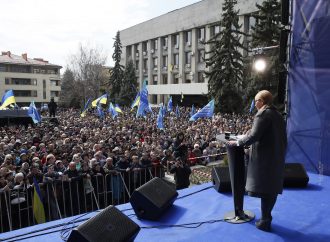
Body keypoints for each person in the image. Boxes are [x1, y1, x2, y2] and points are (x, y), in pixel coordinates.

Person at [227, 90, 287, 232]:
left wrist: (237, 143)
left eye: (256, 101)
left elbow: (254, 137)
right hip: (276, 156)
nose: (254, 104)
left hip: (265, 158)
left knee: (266, 189)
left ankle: (265, 220)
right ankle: (267, 217)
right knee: (271, 188)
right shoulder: (277, 114)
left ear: (262, 101)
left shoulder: (263, 114)